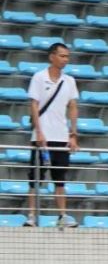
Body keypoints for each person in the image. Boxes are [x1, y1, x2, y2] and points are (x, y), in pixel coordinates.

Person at [24, 42, 79, 228]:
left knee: (60, 179)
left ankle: (62, 215)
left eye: (67, 57)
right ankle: (31, 216)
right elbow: (34, 105)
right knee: (36, 179)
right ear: (52, 56)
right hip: (41, 137)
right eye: (62, 56)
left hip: (61, 136)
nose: (66, 60)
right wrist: (39, 132)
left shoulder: (69, 81)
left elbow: (72, 106)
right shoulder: (39, 78)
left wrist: (73, 134)